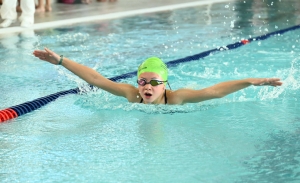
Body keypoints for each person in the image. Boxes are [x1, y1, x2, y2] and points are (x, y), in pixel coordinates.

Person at [33, 48, 283, 105]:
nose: (147, 86)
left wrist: (252, 81)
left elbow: (215, 91)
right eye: (143, 81)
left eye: (154, 82)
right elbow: (97, 79)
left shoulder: (177, 98)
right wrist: (61, 61)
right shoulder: (131, 95)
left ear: (165, 85)